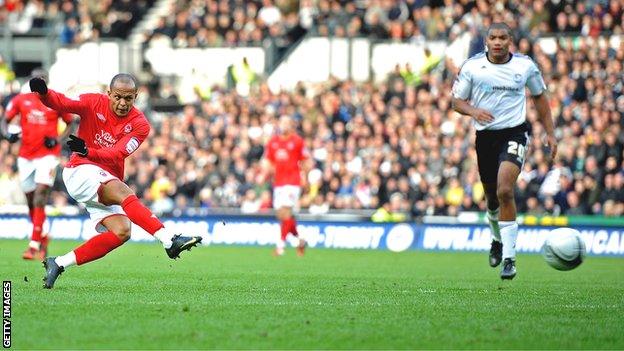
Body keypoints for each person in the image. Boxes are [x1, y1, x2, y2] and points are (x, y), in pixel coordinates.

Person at [28, 74, 202, 289]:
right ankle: (170, 240)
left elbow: (117, 153)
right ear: (109, 94)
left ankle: (59, 263)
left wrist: (88, 150)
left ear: (136, 97)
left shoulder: (140, 124)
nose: (122, 103)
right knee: (123, 192)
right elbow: (63, 102)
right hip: (79, 171)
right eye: (117, 97)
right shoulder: (93, 102)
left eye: (128, 99)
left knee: (121, 231)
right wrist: (44, 94)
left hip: (104, 178)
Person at [451, 23, 557, 280]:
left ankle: (510, 259)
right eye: (493, 37)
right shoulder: (472, 67)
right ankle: (496, 239)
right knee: (491, 199)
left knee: (505, 190)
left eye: (502, 38)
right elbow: (456, 101)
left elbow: (540, 97)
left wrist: (550, 132)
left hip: (514, 133)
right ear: (486, 41)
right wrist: (474, 111)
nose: (497, 42)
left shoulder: (525, 66)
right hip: (485, 137)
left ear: (511, 41)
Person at [0, 69, 76, 260]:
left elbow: (69, 123)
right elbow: (5, 121)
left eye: (42, 81)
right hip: (25, 156)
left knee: (41, 195)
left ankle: (33, 245)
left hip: (48, 156)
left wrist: (57, 140)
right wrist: (7, 134)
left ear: (47, 83)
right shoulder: (20, 100)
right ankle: (42, 236)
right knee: (31, 200)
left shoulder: (56, 101)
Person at [263, 115, 308, 256]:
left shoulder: (297, 141)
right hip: (278, 182)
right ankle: (299, 241)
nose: (284, 125)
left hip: (293, 181)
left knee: (286, 211)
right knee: (282, 215)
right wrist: (265, 173)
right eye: (282, 122)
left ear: (291, 125)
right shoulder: (273, 142)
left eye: (287, 123)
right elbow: (269, 161)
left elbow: (305, 160)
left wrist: (304, 176)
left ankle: (280, 246)